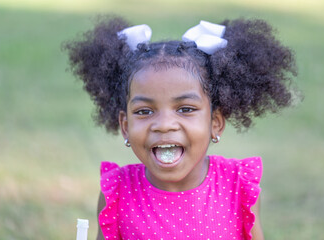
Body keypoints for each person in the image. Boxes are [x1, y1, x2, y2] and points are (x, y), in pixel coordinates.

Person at [64, 15, 297, 240]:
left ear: (215, 123)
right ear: (125, 126)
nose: (164, 125)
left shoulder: (238, 186)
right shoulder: (116, 193)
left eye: (185, 109)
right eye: (144, 111)